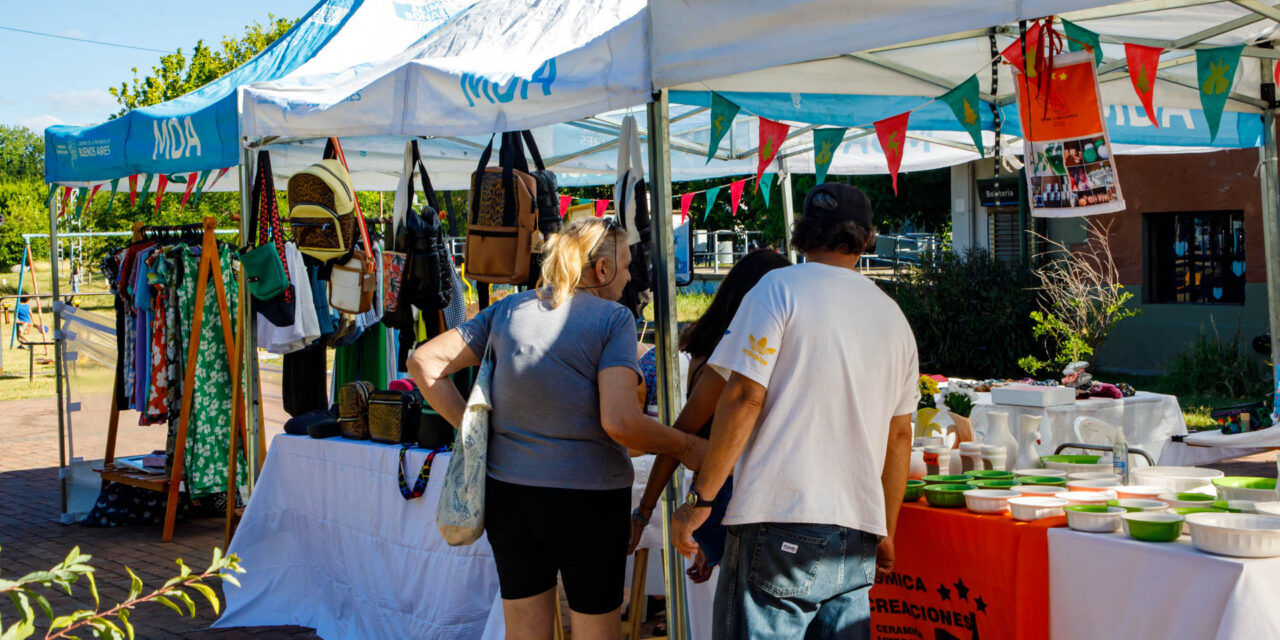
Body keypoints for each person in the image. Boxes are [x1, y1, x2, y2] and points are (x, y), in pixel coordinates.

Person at [408, 217, 707, 640]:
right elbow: (620, 422)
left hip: (510, 496)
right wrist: (687, 445)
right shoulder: (613, 319)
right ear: (601, 271)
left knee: (526, 631)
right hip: (589, 501)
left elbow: (424, 362)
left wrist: (477, 435)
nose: (627, 277)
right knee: (595, 628)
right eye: (624, 266)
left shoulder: (508, 309)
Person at [669, 183, 919, 639]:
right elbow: (899, 436)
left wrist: (699, 501)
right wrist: (886, 528)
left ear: (802, 233)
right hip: (854, 534)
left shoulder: (777, 288)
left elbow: (744, 397)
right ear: (866, 239)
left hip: (778, 518)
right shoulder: (893, 317)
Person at [630, 249, 792, 583]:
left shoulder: (714, 351)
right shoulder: (730, 363)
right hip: (728, 500)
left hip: (724, 500)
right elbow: (682, 436)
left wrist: (647, 512)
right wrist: (646, 512)